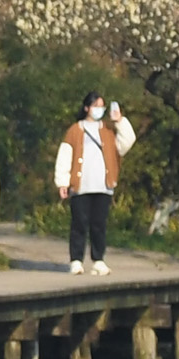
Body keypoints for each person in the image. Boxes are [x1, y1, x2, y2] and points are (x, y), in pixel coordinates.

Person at [53, 93, 136, 274]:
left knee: (99, 224)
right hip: (80, 186)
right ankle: (76, 260)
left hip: (103, 186)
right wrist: (62, 182)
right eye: (96, 106)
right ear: (86, 108)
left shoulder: (108, 130)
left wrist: (119, 121)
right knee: (79, 223)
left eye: (102, 106)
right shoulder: (75, 130)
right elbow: (65, 156)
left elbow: (127, 142)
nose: (99, 110)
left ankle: (98, 260)